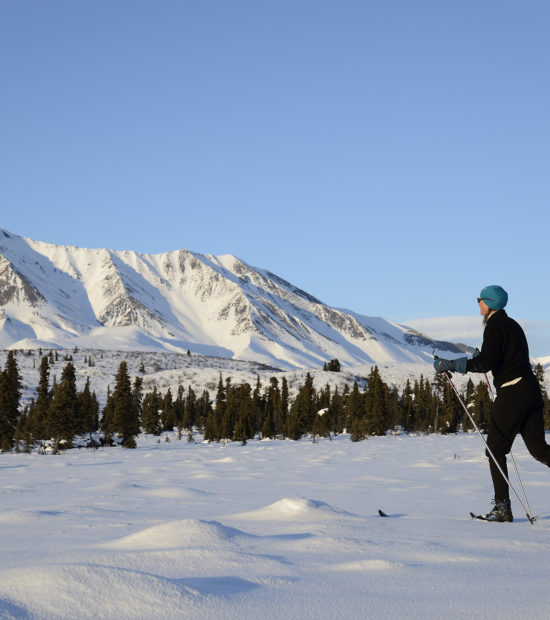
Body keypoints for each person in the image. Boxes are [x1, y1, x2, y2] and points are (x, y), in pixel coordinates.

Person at [433, 285, 550, 522]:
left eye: (479, 299)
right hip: (530, 390)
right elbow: (501, 357)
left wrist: (451, 365)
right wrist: (481, 357)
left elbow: (485, 363)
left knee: (495, 449)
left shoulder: (495, 326)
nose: (477, 303)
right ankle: (502, 507)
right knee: (539, 450)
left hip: (513, 391)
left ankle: (502, 508)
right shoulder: (513, 325)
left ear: (489, 303)